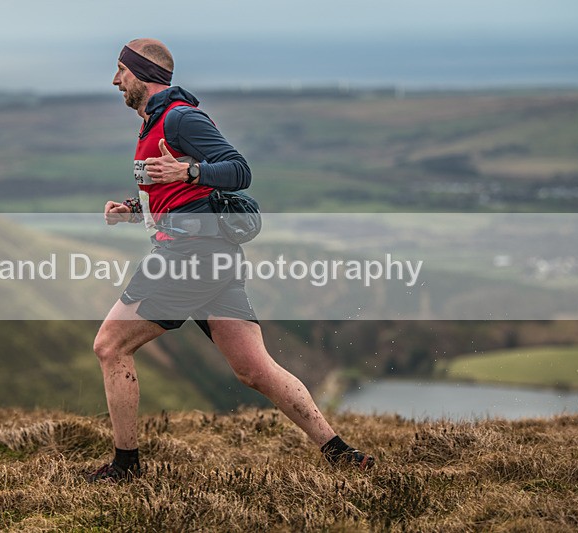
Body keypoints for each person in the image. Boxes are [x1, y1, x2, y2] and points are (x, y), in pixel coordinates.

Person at [87, 38, 374, 482]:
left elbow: (239, 170)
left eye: (121, 71)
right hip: (212, 258)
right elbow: (179, 196)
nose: (114, 80)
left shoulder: (180, 118)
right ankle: (340, 452)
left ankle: (126, 467)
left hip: (189, 256)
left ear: (143, 72)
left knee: (110, 346)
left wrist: (189, 170)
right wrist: (133, 210)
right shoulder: (152, 124)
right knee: (255, 370)